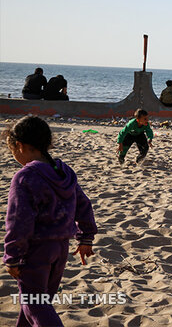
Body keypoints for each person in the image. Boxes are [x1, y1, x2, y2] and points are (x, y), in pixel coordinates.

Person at [3, 115, 97, 326]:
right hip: (60, 250)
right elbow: (83, 205)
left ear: (20, 146)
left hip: (36, 250)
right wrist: (86, 238)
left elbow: (18, 221)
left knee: (33, 303)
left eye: (12, 151)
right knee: (39, 302)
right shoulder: (65, 172)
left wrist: (12, 256)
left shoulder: (25, 177)